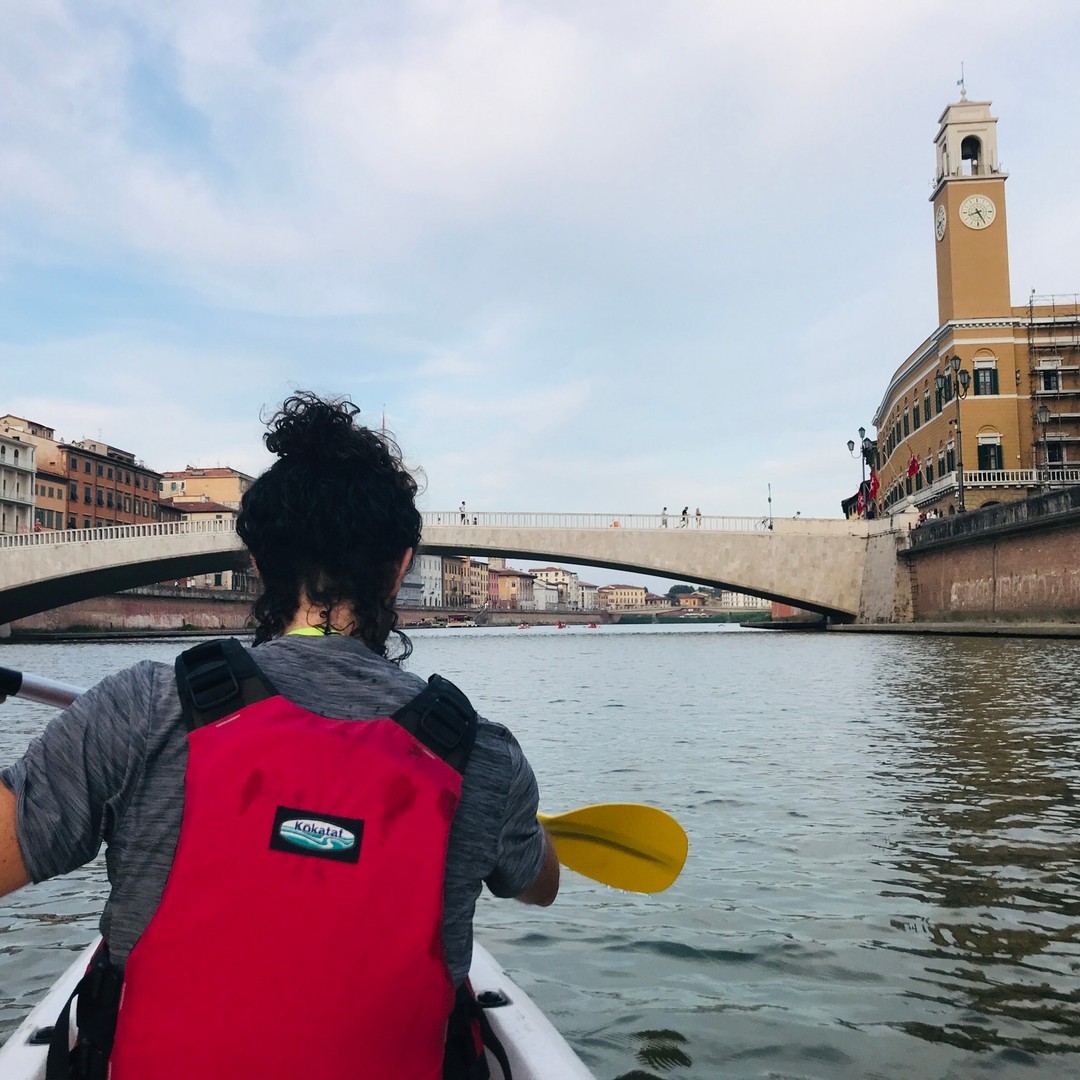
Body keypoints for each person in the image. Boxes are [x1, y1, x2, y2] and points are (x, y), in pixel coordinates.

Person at [0, 392, 558, 1079]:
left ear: (259, 565)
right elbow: (539, 885)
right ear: (400, 568)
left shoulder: (141, 707)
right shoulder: (484, 757)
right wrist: (524, 827)